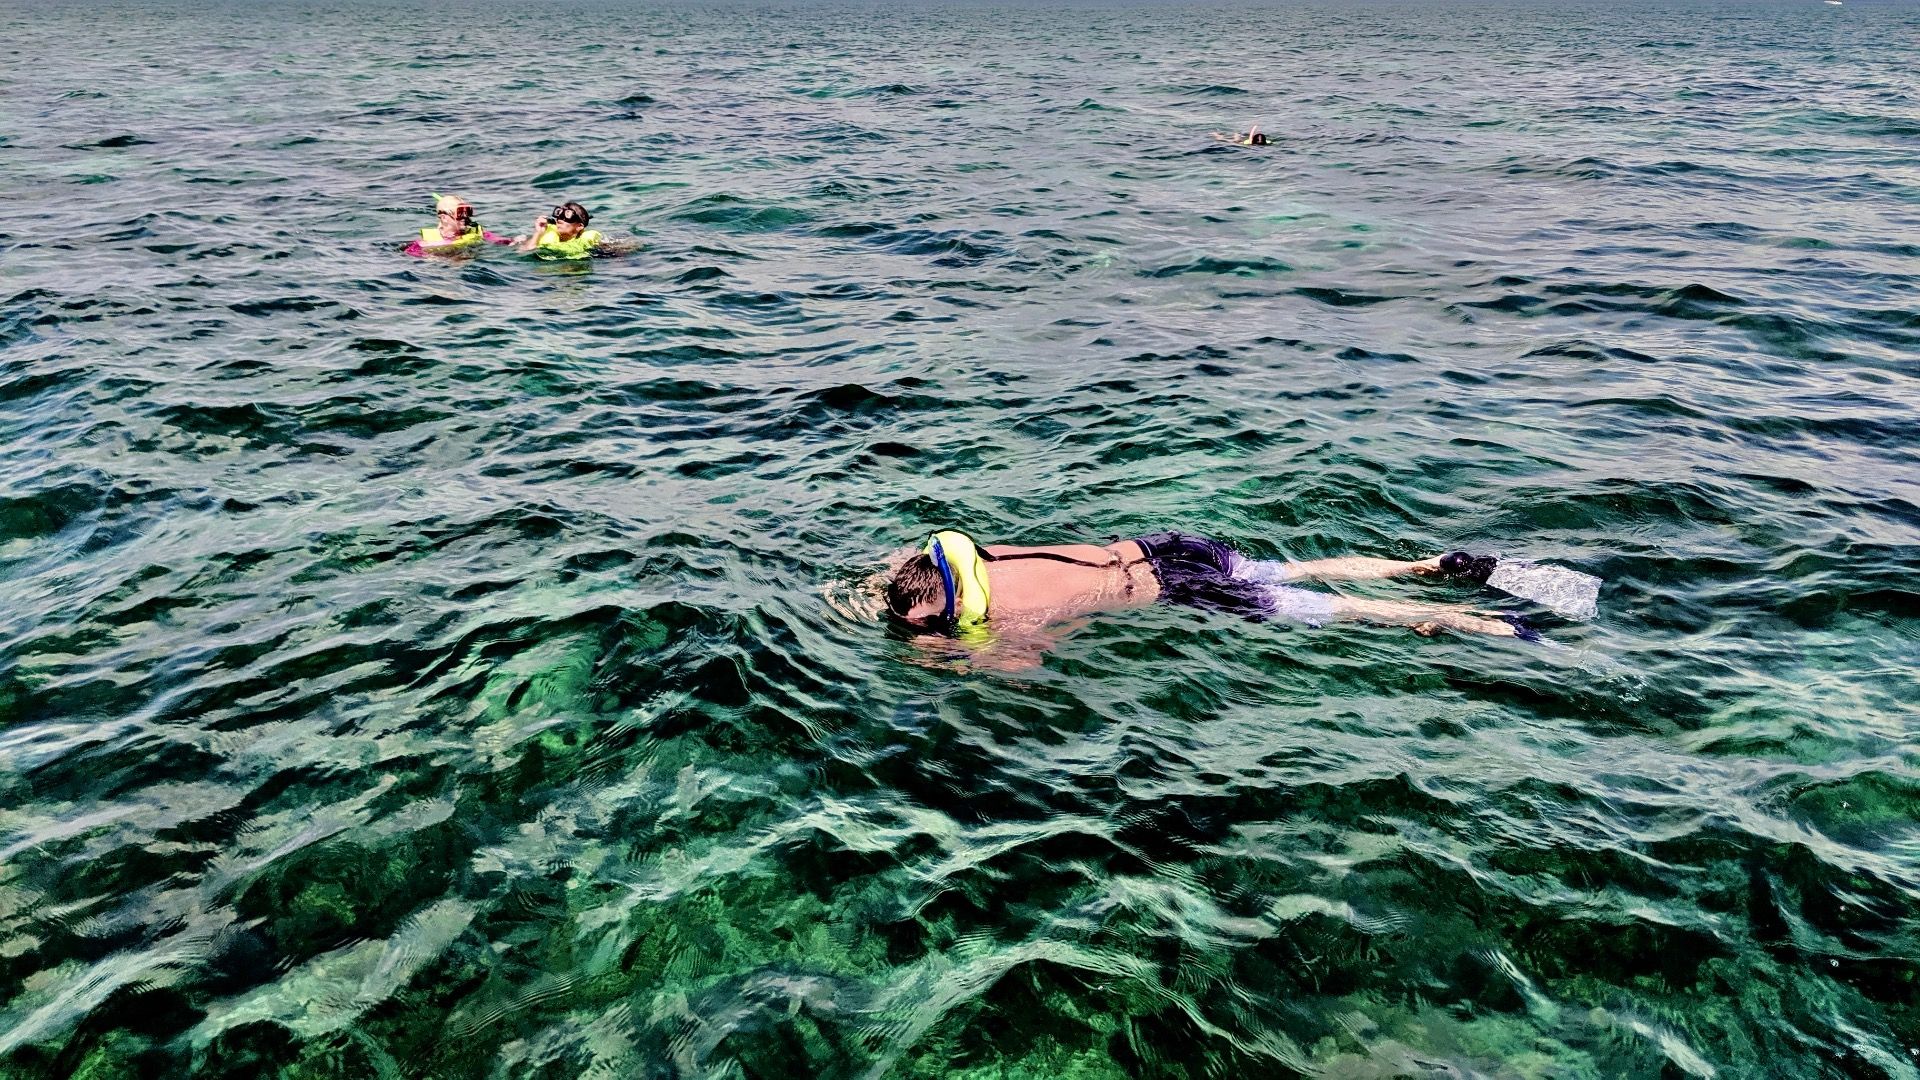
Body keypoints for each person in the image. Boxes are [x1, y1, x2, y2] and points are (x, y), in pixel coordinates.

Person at [881, 529, 1533, 643]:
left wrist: (959, 657)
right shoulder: (973, 554)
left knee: (1325, 609)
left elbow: (1027, 668)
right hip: (1165, 546)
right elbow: (898, 566)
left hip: (1177, 584)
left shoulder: (1002, 615)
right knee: (1290, 570)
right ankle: (1423, 564)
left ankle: (1477, 623)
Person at [405, 194, 510, 256]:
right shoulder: (426, 243)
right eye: (460, 213)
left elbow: (500, 241)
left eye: (467, 212)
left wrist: (516, 242)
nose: (465, 217)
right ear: (444, 218)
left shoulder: (478, 232)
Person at [513, 201, 604, 258]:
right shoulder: (545, 233)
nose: (560, 218)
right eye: (559, 213)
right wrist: (538, 232)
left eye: (568, 215)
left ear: (579, 226)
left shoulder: (589, 240)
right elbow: (523, 253)